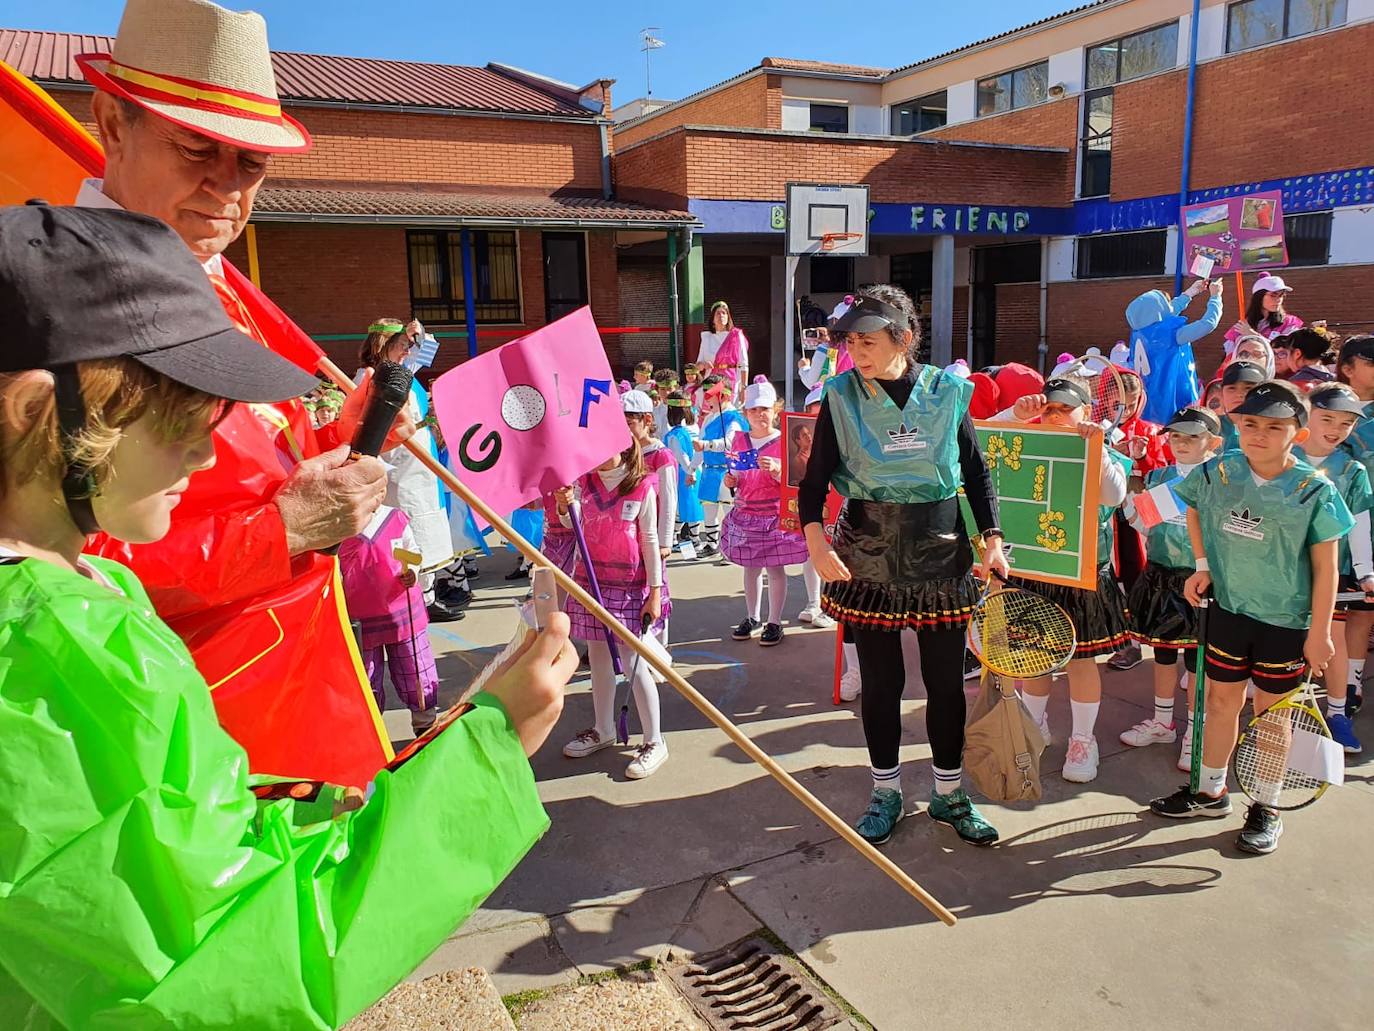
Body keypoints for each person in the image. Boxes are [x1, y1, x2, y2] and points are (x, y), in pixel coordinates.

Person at [0, 203, 574, 1028]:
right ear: (35, 412)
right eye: (177, 421)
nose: (204, 454)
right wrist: (489, 751)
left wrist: (308, 812)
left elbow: (177, 857)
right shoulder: (56, 654)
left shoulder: (73, 596)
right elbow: (239, 964)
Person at [77, 0, 407, 786]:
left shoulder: (218, 286)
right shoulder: (61, 309)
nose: (227, 190)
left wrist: (348, 442)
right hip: (178, 733)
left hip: (293, 694)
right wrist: (282, 530)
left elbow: (255, 475)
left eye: (250, 165)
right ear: (111, 125)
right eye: (197, 149)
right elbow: (57, 570)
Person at [802, 287, 1009, 847]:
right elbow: (815, 480)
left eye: (868, 342)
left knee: (945, 684)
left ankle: (948, 793)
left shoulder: (947, 392)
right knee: (882, 683)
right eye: (850, 343)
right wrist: (817, 543)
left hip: (940, 552)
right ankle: (886, 791)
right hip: (867, 553)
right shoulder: (841, 395)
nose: (856, 353)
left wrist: (992, 539)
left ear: (904, 339)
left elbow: (976, 471)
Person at [1151, 381, 1352, 856]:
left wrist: (1320, 633)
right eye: (1250, 424)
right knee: (1220, 704)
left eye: (1274, 427)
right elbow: (1194, 509)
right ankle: (1209, 791)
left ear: (1297, 433)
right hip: (1228, 611)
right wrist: (1202, 567)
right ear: (1236, 425)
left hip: (1285, 622)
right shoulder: (1219, 471)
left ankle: (1266, 804)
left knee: (1270, 718)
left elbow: (1326, 567)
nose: (1259, 434)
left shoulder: (1313, 491)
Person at [996, 378, 1131, 782]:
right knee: (1034, 658)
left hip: (1080, 572)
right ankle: (1032, 726)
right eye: (1049, 408)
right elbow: (980, 446)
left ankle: (1082, 740)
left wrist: (1096, 445)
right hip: (1035, 570)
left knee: (1081, 660)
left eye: (1065, 409)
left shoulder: (1102, 447)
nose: (1055, 415)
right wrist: (1013, 415)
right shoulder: (1027, 439)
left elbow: (1115, 496)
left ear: (1086, 412)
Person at [559, 438, 670, 779]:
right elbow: (570, 526)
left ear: (621, 446)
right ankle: (603, 728)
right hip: (591, 583)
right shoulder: (582, 483)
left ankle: (655, 740)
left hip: (629, 588)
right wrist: (565, 507)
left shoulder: (642, 486)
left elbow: (649, 540)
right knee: (599, 660)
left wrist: (654, 591)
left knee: (634, 662)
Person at [1121, 406, 1223, 769]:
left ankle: (1196, 731)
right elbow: (1142, 522)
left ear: (1213, 441)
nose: (1181, 443)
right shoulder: (1161, 475)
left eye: (1192, 436)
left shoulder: (1221, 478)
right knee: (1162, 653)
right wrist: (1134, 472)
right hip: (1162, 575)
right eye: (1176, 436)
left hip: (1203, 580)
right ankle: (1163, 721)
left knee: (1198, 661)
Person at [356, 318, 468, 621]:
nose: (408, 351)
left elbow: (427, 350)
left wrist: (417, 333)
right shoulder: (369, 376)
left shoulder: (404, 371)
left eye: (408, 346)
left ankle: (427, 593)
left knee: (425, 524)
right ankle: (412, 596)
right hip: (396, 465)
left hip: (419, 462)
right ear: (385, 347)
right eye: (402, 346)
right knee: (404, 528)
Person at [1293, 383, 1374, 752]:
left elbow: (1358, 522)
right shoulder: (1280, 458)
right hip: (1279, 571)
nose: (1336, 428)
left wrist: (1365, 571)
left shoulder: (1352, 470)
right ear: (1306, 412)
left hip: (1333, 574)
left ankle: (1337, 714)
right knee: (1285, 644)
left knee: (1334, 640)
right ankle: (1284, 714)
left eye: (1345, 423)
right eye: (1327, 417)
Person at [720, 379, 820, 646]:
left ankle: (774, 621)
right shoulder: (739, 440)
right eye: (753, 410)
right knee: (750, 568)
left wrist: (777, 470)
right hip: (746, 514)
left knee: (775, 570)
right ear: (745, 414)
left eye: (764, 409)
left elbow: (797, 479)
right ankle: (752, 616)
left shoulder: (784, 440)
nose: (759, 415)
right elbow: (736, 476)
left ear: (775, 410)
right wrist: (731, 481)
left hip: (774, 514)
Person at [338, 506, 441, 733]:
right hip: (359, 617)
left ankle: (426, 726)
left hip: (403, 612)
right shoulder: (339, 524)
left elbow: (412, 549)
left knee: (416, 669)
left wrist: (412, 571)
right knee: (365, 677)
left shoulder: (394, 517)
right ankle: (370, 734)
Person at [1335, 335, 1374, 713]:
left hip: (1369, 522)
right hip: (1331, 526)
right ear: (1348, 367)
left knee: (1364, 607)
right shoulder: (1322, 404)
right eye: (1371, 359)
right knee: (1329, 608)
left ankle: (1351, 680)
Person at [1124, 277, 1225, 424]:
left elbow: (1167, 313)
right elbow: (1208, 323)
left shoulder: (1139, 332)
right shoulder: (1170, 335)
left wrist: (1190, 293)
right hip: (1171, 398)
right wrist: (1216, 297)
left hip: (1148, 401)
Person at [625, 389, 678, 652]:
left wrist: (665, 541)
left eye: (630, 423)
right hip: (627, 537)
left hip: (653, 537)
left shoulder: (661, 455)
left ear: (647, 420)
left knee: (656, 588)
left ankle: (659, 647)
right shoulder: (622, 453)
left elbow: (669, 500)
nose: (625, 429)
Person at [694, 375, 750, 557]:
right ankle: (712, 545)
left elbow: (730, 442)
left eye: (709, 394)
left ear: (723, 396)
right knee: (709, 511)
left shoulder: (733, 418)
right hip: (709, 472)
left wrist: (708, 445)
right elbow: (699, 447)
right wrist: (692, 468)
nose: (706, 398)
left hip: (727, 471)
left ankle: (730, 549)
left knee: (729, 512)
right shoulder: (709, 418)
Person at [663, 389, 704, 547]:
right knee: (689, 506)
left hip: (687, 472)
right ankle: (691, 540)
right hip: (686, 472)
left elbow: (684, 456)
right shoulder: (680, 434)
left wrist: (691, 470)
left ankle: (678, 537)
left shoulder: (677, 433)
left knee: (686, 506)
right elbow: (683, 456)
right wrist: (691, 471)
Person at [1224, 274, 1303, 353]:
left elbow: (1285, 352)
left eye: (1281, 295)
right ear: (1259, 297)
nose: (1279, 300)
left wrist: (1253, 335)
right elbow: (1229, 357)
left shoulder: (1290, 323)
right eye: (1273, 295)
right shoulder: (1242, 327)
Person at [698, 300, 750, 401]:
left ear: (728, 317)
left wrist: (744, 388)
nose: (721, 315)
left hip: (731, 381)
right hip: (711, 381)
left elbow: (744, 364)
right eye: (718, 313)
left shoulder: (736, 335)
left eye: (724, 313)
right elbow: (698, 365)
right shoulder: (707, 338)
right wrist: (703, 365)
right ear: (712, 319)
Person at [1217, 360, 1266, 452]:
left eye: (1248, 388)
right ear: (1222, 393)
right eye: (1232, 388)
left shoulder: (1276, 428)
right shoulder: (1210, 428)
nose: (1239, 394)